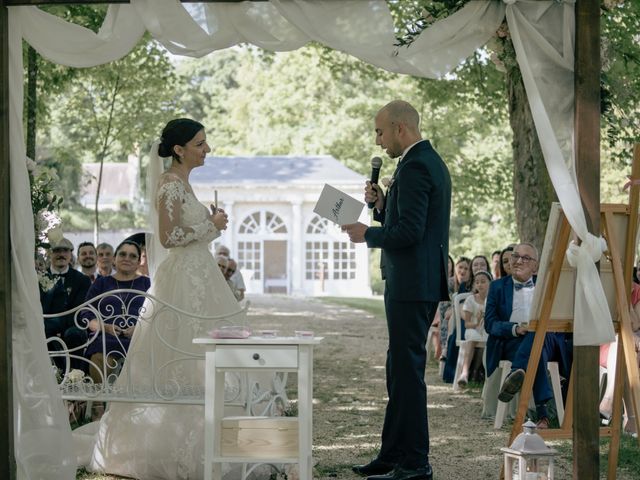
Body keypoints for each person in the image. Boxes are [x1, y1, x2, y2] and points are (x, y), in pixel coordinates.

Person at [88, 118, 241, 479]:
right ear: (179, 149)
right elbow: (169, 237)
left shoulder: (184, 183)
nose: (207, 149)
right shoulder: (169, 183)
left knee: (206, 351)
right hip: (182, 279)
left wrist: (212, 223)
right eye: (200, 143)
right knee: (181, 352)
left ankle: (210, 438)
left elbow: (189, 234)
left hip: (201, 274)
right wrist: (211, 225)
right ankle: (166, 443)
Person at [342, 100, 451, 480]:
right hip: (410, 280)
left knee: (407, 372)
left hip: (412, 283)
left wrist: (367, 234)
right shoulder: (415, 162)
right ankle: (392, 454)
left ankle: (416, 463)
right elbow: (406, 219)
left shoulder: (419, 165)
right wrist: (383, 204)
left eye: (380, 131)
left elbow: (410, 233)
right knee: (398, 369)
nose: (378, 140)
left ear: (400, 128)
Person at [485, 243, 572, 429]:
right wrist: (515, 328)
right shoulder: (497, 287)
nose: (518, 261)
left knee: (538, 334)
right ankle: (543, 414)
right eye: (515, 256)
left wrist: (536, 328)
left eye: (526, 258)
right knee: (534, 345)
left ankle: (516, 372)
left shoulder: (548, 285)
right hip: (513, 342)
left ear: (536, 265)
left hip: (548, 341)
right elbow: (490, 324)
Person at [82, 240, 151, 385]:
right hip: (107, 338)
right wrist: (105, 327)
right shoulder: (101, 283)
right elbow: (85, 313)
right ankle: (100, 403)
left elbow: (158, 314)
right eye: (123, 254)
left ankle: (139, 403)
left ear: (139, 262)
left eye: (132, 256)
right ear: (114, 259)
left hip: (140, 338)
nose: (127, 258)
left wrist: (140, 328)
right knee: (99, 353)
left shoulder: (147, 284)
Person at [40, 237, 91, 371]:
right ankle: (52, 375)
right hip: (45, 323)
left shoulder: (82, 280)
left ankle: (74, 376)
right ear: (49, 253)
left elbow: (78, 307)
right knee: (43, 332)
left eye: (65, 251)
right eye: (57, 251)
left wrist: (59, 326)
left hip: (72, 322)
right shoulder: (39, 278)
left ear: (70, 254)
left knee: (74, 333)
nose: (61, 254)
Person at [457, 270, 492, 387]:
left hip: (487, 330)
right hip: (472, 329)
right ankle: (465, 373)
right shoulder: (470, 300)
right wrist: (476, 321)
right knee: (473, 337)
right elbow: (467, 324)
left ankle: (483, 375)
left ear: (490, 283)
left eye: (483, 282)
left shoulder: (493, 299)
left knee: (490, 337)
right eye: (477, 282)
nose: (480, 284)